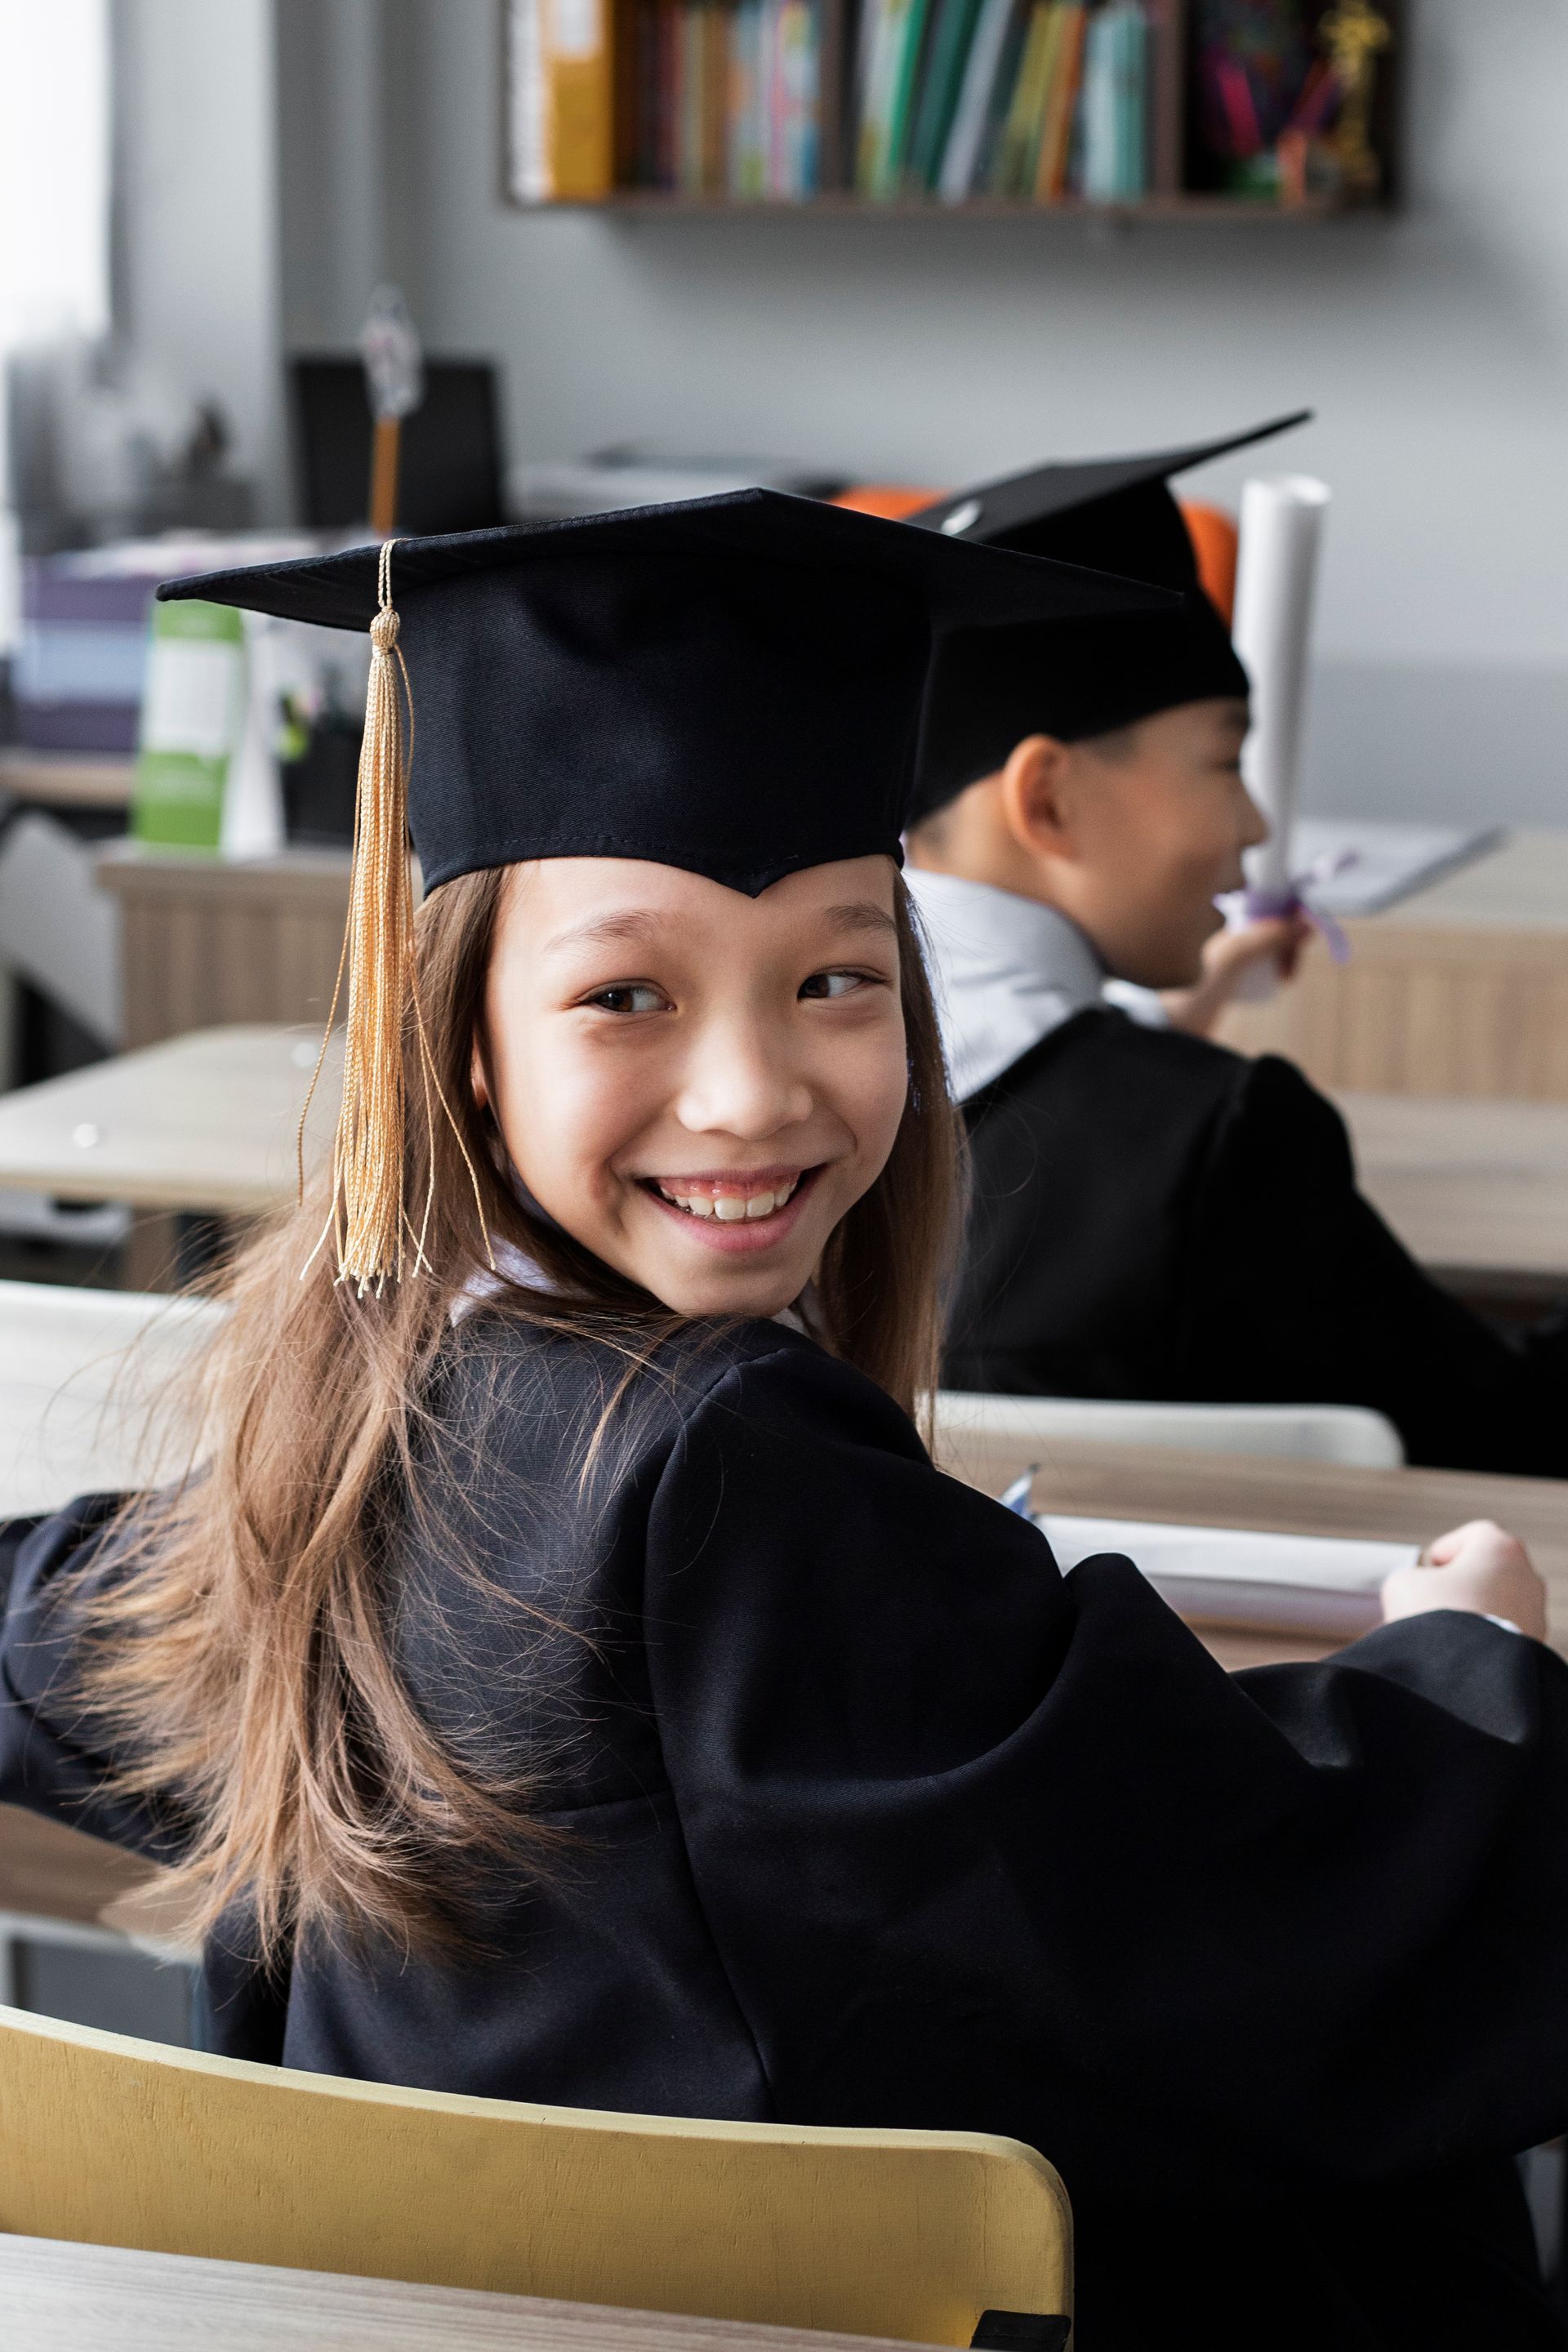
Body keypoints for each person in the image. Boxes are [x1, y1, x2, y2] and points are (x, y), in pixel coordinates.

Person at [2, 493, 1568, 2352]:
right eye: (626, 994)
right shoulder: (725, 1478)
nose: (751, 1093)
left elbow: (68, 1627)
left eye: (836, 977)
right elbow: (1254, 1934)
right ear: (462, 1038)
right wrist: (1464, 1668)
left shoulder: (353, 1440)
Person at [904, 424, 1568, 1476]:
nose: (1257, 825)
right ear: (1048, 797)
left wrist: (1146, 1043)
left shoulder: (808, 1107)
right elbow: (1512, 1436)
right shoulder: (1223, 1143)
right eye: (1226, 759)